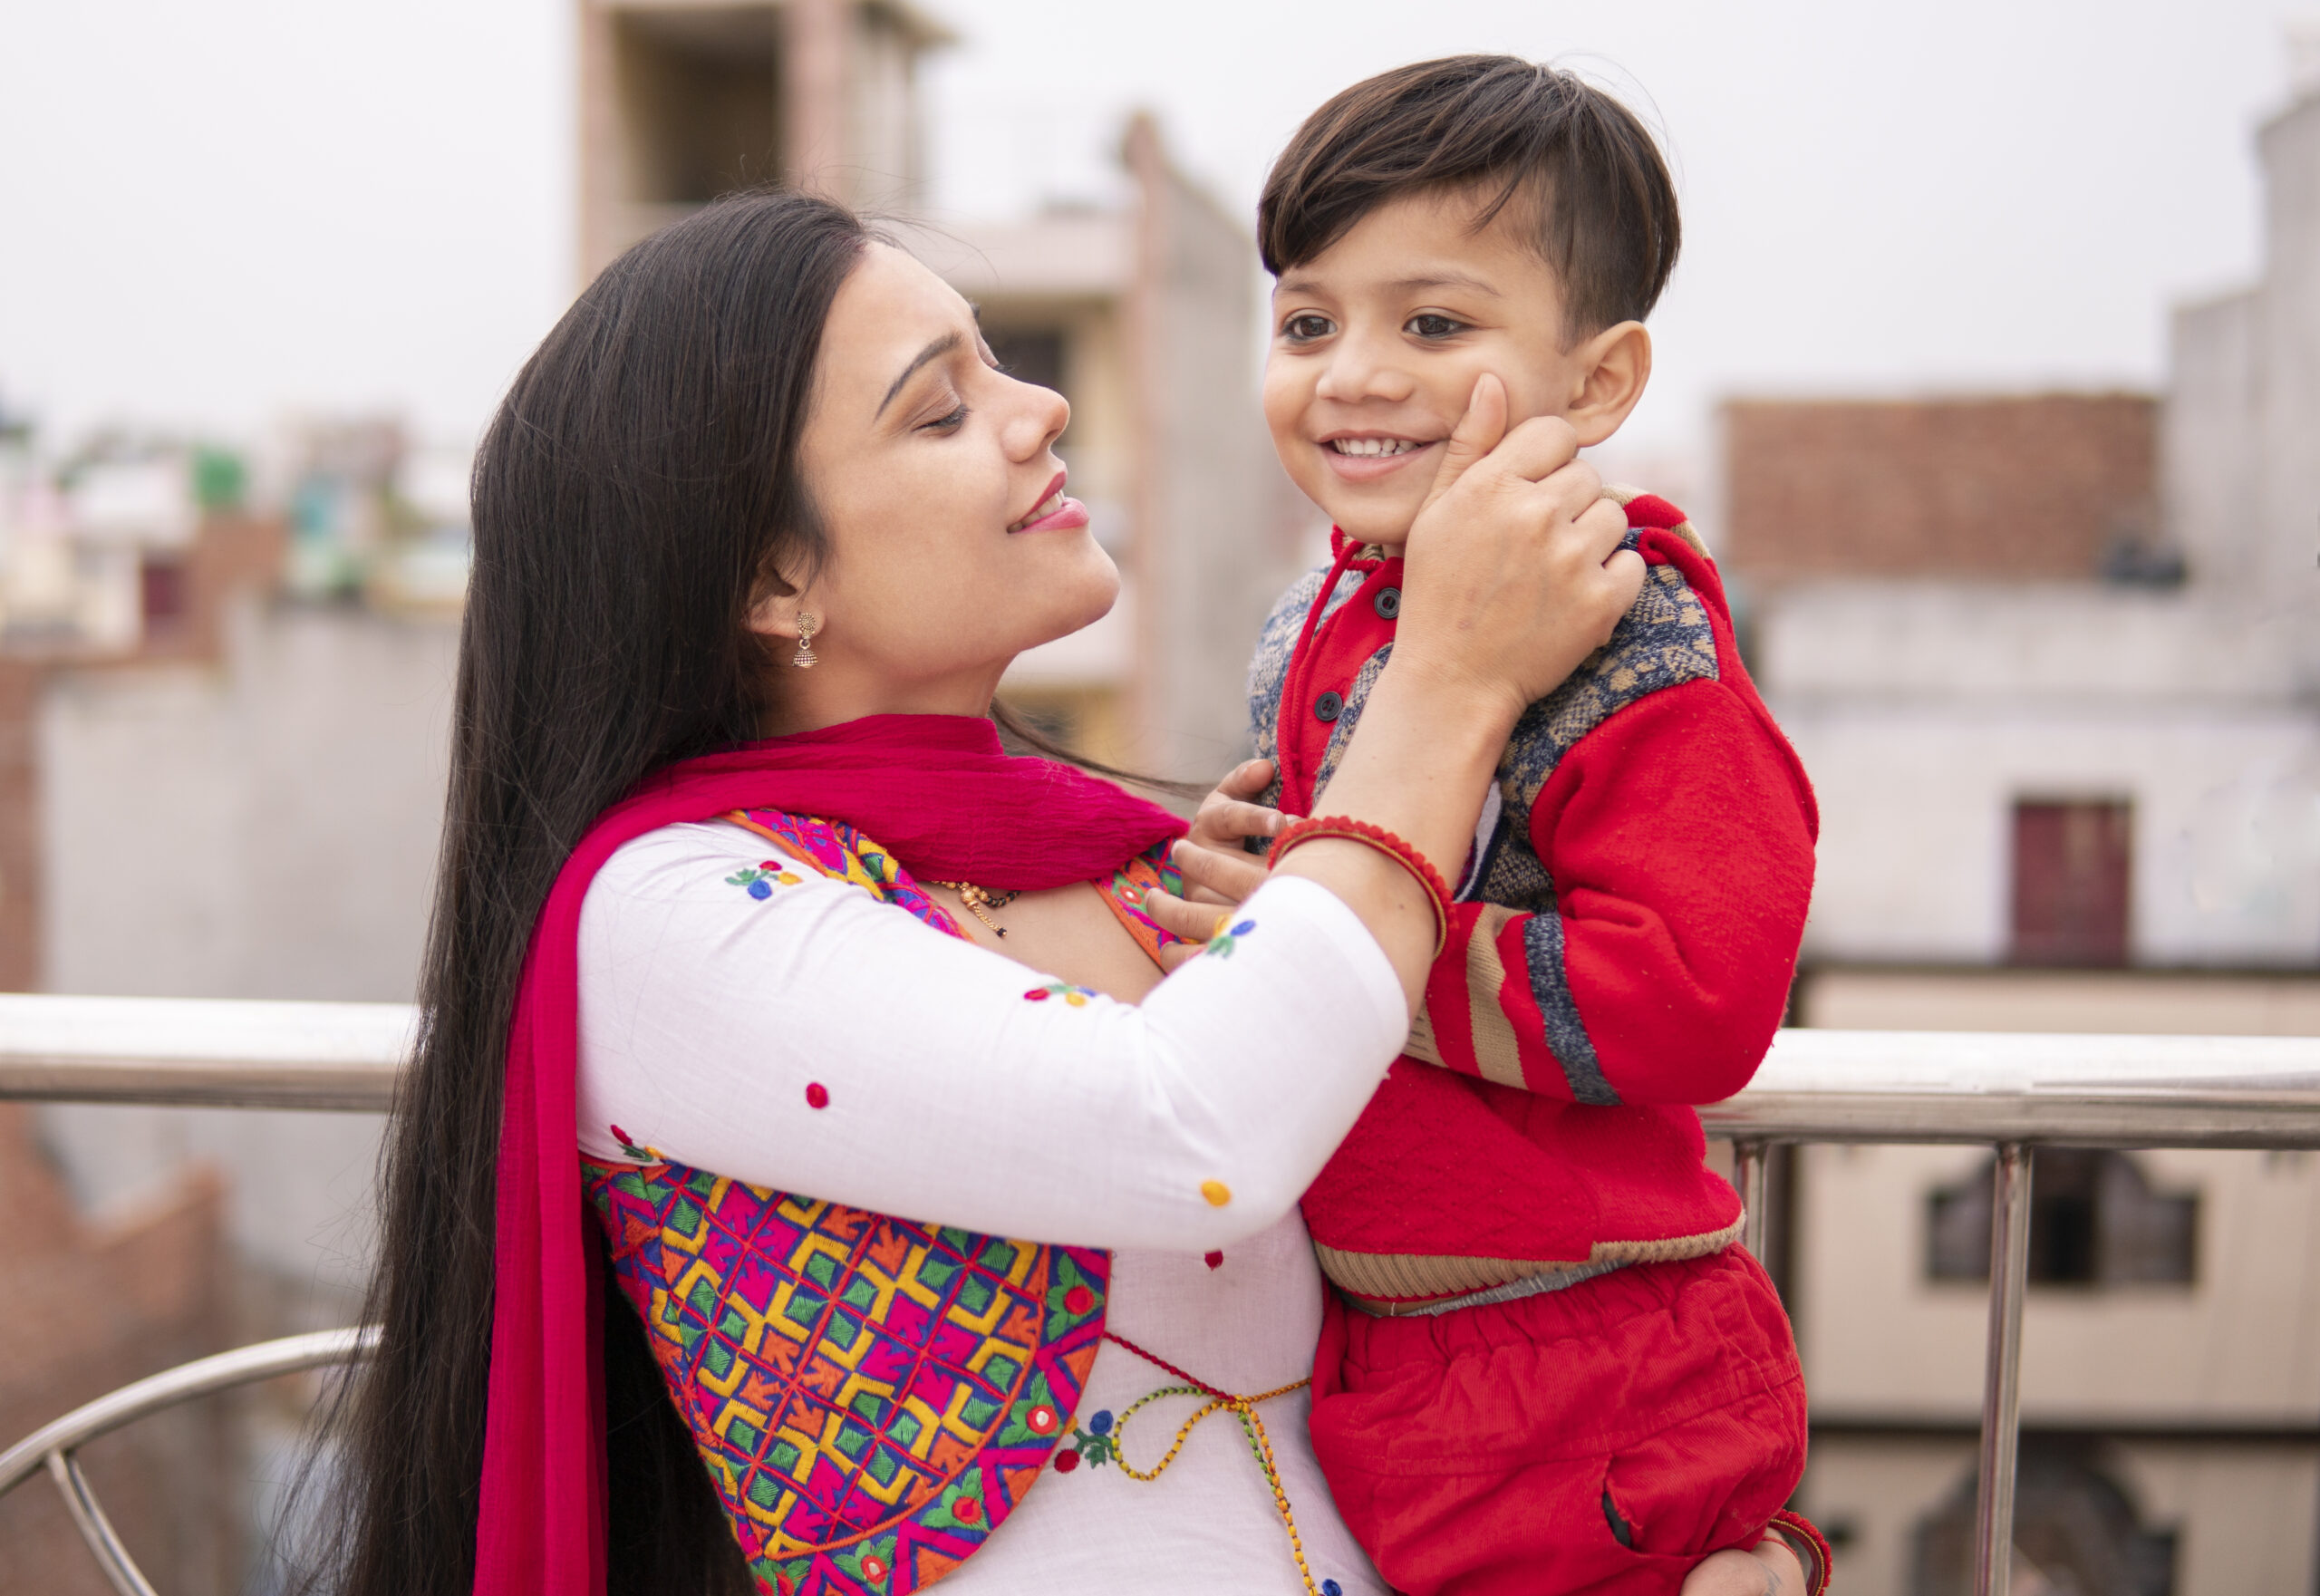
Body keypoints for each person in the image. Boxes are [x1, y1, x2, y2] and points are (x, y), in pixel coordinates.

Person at [324, 189, 1812, 1596]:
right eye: (943, 406)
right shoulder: (670, 915)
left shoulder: (1149, 869)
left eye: (1004, 367)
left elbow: (1515, 1257)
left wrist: (1726, 1537)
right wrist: (1453, 679)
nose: (1042, 410)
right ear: (778, 579)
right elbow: (1199, 1130)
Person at [1144, 57, 1826, 1596]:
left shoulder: (1633, 640)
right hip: (1388, 1336)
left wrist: (1355, 946)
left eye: (1434, 325)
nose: (1353, 372)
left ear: (1599, 383)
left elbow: (1697, 997)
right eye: (1309, 320)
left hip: (1588, 1344)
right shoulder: (1312, 625)